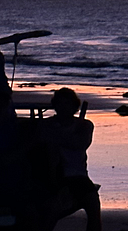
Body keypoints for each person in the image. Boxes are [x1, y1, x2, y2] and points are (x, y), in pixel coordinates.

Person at [42, 88, 102, 231]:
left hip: (78, 176)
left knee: (93, 205)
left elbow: (80, 144)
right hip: (54, 174)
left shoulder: (84, 125)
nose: (63, 108)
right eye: (60, 104)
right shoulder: (46, 124)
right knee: (50, 211)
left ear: (74, 106)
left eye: (67, 104)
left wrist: (57, 136)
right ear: (55, 105)